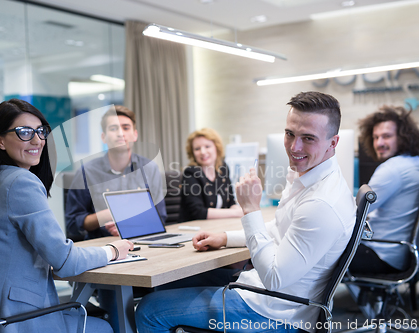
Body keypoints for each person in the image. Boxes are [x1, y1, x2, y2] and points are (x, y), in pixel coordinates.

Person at [135, 91, 356, 333]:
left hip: (276, 312)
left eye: (308, 138)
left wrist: (250, 208)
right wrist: (226, 238)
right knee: (172, 284)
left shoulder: (321, 203)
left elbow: (274, 278)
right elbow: (280, 229)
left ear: (333, 143)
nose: (295, 147)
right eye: (289, 134)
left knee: (149, 310)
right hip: (272, 297)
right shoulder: (310, 177)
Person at [0, 99, 133, 333]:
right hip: (16, 317)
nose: (37, 140)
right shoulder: (20, 182)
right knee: (104, 328)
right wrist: (113, 250)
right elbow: (66, 262)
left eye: (41, 132)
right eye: (24, 132)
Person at [65, 105, 167, 241]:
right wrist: (108, 215)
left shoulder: (150, 168)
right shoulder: (86, 172)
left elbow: (161, 215)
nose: (120, 133)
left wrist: (129, 226)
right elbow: (72, 224)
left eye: (125, 128)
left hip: (143, 241)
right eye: (113, 128)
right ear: (104, 137)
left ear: (135, 135)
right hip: (101, 246)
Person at [349, 105, 419, 274]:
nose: (379, 143)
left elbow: (356, 211)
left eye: (386, 136)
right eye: (375, 137)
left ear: (403, 137)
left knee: (320, 253)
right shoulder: (414, 162)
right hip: (402, 254)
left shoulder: (392, 169)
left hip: (381, 254)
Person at [179, 128, 243, 222]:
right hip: (193, 229)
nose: (203, 152)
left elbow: (230, 201)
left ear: (216, 147)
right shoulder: (190, 173)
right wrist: (236, 213)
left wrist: (239, 209)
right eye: (197, 149)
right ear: (193, 153)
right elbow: (198, 212)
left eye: (207, 146)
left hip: (216, 225)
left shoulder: (223, 168)